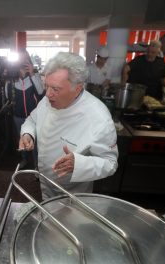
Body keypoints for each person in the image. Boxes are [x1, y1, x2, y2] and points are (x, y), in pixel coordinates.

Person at [18, 52, 118, 199]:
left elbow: (110, 163)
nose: (47, 94)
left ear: (77, 88)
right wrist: (28, 133)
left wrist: (79, 164)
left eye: (56, 89)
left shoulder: (98, 117)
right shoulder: (47, 101)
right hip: (45, 181)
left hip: (73, 191)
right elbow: (32, 119)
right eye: (47, 86)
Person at [6, 49, 44, 168]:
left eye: (25, 58)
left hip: (34, 116)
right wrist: (10, 78)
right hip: (18, 115)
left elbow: (41, 91)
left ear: (28, 59)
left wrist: (32, 74)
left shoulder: (34, 76)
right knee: (21, 138)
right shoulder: (12, 79)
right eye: (20, 59)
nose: (23, 61)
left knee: (35, 140)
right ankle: (24, 159)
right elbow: (8, 96)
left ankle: (36, 163)